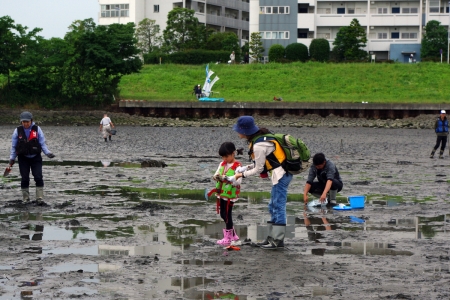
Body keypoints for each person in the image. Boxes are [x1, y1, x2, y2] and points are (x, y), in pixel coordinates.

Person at [232, 116, 293, 250]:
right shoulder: (259, 140)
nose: (237, 132)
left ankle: (277, 241)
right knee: (272, 205)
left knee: (278, 205)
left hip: (281, 175)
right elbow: (259, 163)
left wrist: (240, 175)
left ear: (245, 131)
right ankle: (271, 238)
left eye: (238, 130)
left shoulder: (259, 145)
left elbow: (259, 169)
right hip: (279, 174)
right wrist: (244, 168)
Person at [8, 111, 55, 203]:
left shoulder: (37, 129)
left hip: (35, 157)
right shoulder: (17, 131)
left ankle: (39, 198)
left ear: (31, 121)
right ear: (21, 122)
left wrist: (48, 153)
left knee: (38, 177)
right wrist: (11, 159)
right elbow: (14, 147)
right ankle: (25, 199)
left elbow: (42, 143)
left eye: (27, 121)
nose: (25, 124)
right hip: (23, 158)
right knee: (25, 178)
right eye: (23, 122)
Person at [210, 142, 243, 245]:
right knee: (222, 214)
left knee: (227, 214)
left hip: (230, 195)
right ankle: (233, 234)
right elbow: (216, 173)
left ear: (233, 153)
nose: (224, 159)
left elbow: (238, 182)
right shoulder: (222, 164)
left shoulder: (238, 166)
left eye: (226, 156)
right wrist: (216, 177)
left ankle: (228, 238)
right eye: (222, 157)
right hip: (222, 193)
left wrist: (228, 179)